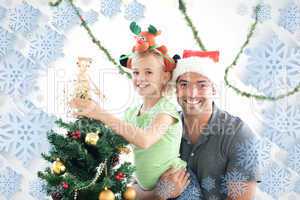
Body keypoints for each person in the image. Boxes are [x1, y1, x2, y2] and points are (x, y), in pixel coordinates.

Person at [69, 25, 202, 199]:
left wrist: (100, 113)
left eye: (148, 72)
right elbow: (117, 138)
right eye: (136, 72)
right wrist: (88, 120)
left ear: (164, 77)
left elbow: (145, 140)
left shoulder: (165, 111)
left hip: (181, 187)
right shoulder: (131, 113)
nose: (140, 78)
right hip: (149, 189)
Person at [135, 50, 261, 200]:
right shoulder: (161, 124)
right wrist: (159, 193)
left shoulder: (238, 134)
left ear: (214, 89)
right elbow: (134, 189)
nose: (191, 93)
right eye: (184, 84)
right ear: (176, 89)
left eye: (202, 85)